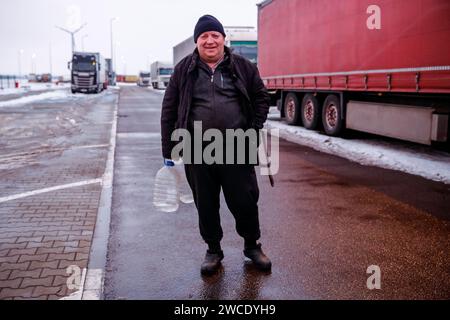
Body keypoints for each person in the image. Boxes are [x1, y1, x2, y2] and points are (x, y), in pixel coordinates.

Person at [160, 15, 271, 275]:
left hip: (235, 147)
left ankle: (252, 246)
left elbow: (261, 97)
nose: (210, 41)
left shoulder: (243, 66)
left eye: (215, 35)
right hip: (196, 149)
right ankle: (213, 249)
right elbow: (169, 109)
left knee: (244, 201)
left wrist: (253, 129)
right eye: (203, 37)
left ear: (223, 39)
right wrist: (169, 150)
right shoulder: (183, 70)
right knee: (206, 203)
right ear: (197, 41)